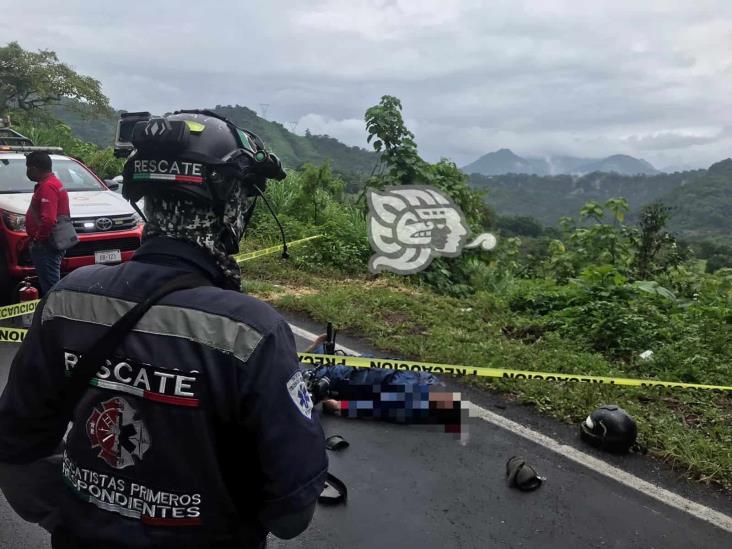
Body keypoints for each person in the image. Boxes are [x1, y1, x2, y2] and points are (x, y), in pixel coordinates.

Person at [0, 111, 328, 548]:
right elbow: (291, 515)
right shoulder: (252, 331)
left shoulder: (67, 299)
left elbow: (15, 448)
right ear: (230, 203)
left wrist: (78, 518)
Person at [25, 151, 71, 295]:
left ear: (34, 168)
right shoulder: (53, 183)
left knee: (51, 288)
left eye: (27, 167)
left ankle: (53, 315)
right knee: (50, 282)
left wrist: (39, 239)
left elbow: (49, 220)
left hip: (46, 245)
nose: (27, 172)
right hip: (51, 242)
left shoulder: (47, 187)